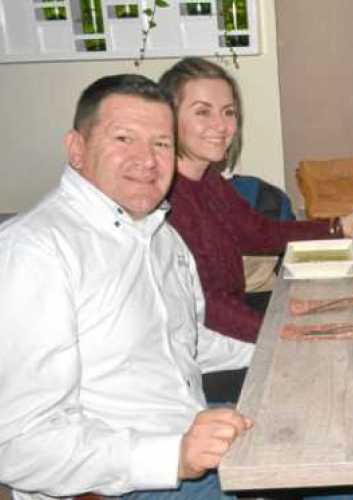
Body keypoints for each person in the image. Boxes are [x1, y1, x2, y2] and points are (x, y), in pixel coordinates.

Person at [0, 74, 254, 499]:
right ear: (76, 149)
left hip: (189, 430)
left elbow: (187, 342)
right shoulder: (35, 252)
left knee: (330, 445)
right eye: (124, 138)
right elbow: (17, 443)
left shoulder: (160, 234)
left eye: (161, 144)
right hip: (122, 483)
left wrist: (277, 349)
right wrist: (172, 456)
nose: (147, 159)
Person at [159, 57, 353, 346]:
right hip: (205, 346)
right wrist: (283, 332)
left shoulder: (207, 179)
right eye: (202, 112)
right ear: (168, 117)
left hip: (234, 316)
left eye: (228, 112)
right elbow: (208, 306)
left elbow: (259, 232)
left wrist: (338, 228)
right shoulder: (165, 199)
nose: (221, 125)